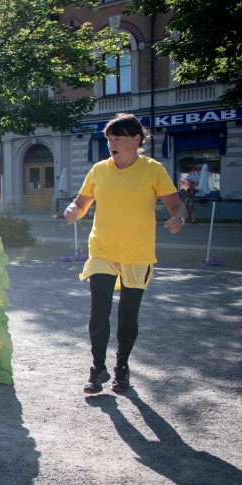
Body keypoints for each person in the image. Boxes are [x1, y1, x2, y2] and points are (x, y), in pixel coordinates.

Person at [64, 113, 186, 394]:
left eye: (117, 139)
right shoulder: (99, 170)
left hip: (137, 253)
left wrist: (178, 218)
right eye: (108, 139)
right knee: (99, 313)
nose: (111, 144)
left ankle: (122, 367)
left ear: (136, 139)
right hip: (102, 250)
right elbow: (81, 203)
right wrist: (74, 210)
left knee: (127, 316)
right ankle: (97, 368)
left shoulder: (153, 170)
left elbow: (176, 205)